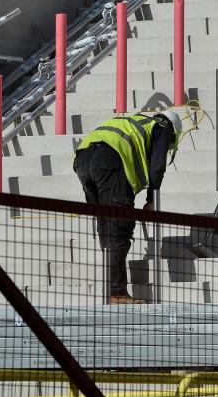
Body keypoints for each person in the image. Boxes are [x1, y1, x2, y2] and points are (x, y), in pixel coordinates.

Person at [73, 109, 182, 304]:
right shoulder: (162, 127)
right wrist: (151, 200)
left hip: (82, 159)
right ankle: (116, 292)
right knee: (119, 227)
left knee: (106, 224)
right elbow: (157, 167)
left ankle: (113, 287)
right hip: (108, 160)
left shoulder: (132, 121)